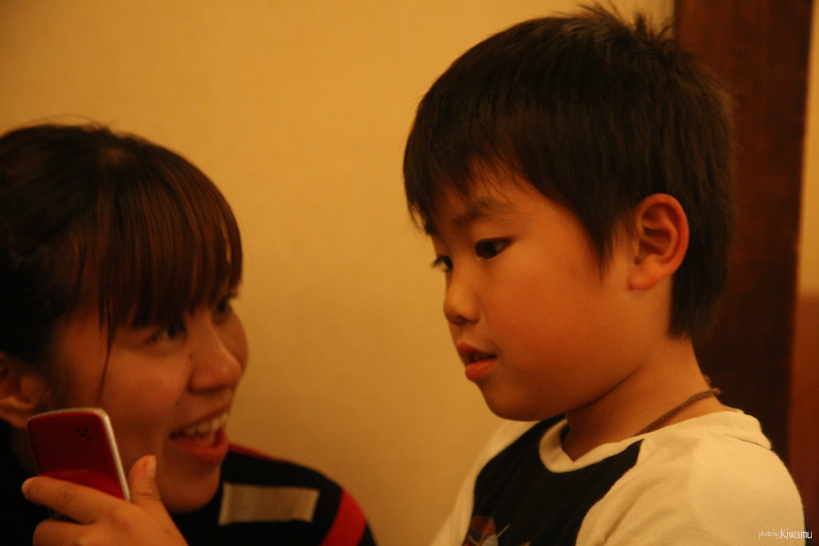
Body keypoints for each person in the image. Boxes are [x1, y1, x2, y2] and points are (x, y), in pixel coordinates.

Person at [403, 6, 809, 545]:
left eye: (489, 247)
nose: (454, 302)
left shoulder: (715, 496)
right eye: (445, 262)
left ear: (647, 245)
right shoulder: (515, 451)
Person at [0, 123, 376, 546]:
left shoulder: (309, 522)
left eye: (222, 305)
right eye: (165, 331)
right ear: (13, 385)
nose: (226, 369)